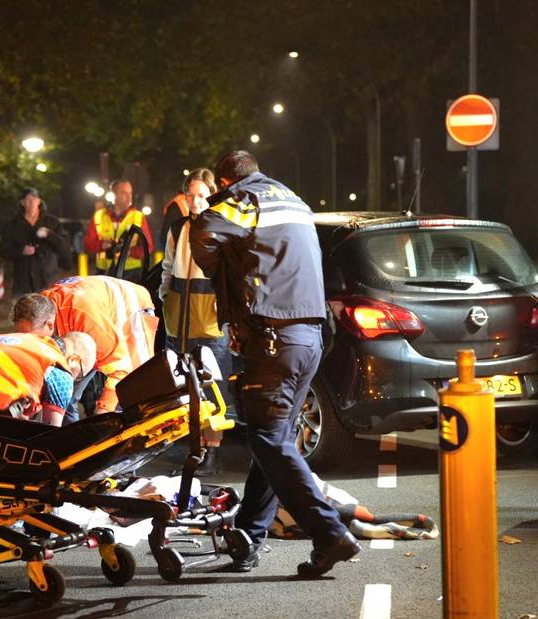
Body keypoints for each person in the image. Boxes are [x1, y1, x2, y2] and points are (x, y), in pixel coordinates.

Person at [190, 149, 360, 577]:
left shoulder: (244, 201)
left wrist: (225, 274)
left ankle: (330, 532)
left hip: (272, 337)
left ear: (227, 182)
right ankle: (249, 536)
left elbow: (203, 233)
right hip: (308, 337)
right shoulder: (294, 199)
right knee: (276, 438)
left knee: (268, 439)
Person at [41, 275, 158, 419]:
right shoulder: (39, 311)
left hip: (132, 308)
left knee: (137, 384)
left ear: (49, 324)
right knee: (66, 393)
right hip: (93, 309)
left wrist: (103, 412)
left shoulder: (90, 324)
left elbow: (121, 370)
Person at [159, 168, 230, 399]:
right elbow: (168, 267)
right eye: (190, 195)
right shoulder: (178, 228)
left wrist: (224, 306)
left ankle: (211, 435)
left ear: (212, 193)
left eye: (201, 195)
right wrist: (165, 295)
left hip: (210, 321)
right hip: (178, 321)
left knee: (212, 387)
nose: (194, 200)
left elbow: (230, 273)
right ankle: (184, 433)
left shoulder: (222, 227)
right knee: (180, 386)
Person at [0, 188, 69, 295]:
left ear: (39, 201)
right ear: (22, 202)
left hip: (47, 279)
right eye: (28, 199)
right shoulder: (12, 225)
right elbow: (3, 251)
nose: (32, 203)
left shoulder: (52, 222)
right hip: (23, 282)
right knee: (23, 310)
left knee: (48, 310)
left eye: (35, 199)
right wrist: (21, 251)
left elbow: (64, 246)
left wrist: (50, 234)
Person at [83, 179, 153, 281]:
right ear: (114, 194)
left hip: (131, 273)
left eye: (130, 193)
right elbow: (87, 244)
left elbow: (148, 246)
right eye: (124, 193)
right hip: (104, 272)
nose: (129, 196)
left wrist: (128, 252)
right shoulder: (99, 216)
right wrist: (102, 245)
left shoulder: (138, 217)